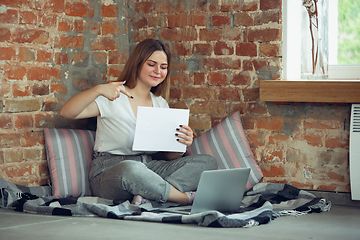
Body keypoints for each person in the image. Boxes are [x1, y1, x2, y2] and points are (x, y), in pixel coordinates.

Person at [60, 39, 217, 205]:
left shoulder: (160, 103)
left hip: (150, 167)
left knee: (207, 162)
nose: (158, 71)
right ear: (138, 63)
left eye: (163, 67)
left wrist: (182, 143)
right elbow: (67, 112)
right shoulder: (114, 96)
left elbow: (169, 156)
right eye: (152, 64)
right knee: (131, 169)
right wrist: (98, 89)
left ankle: (149, 194)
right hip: (111, 171)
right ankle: (181, 197)